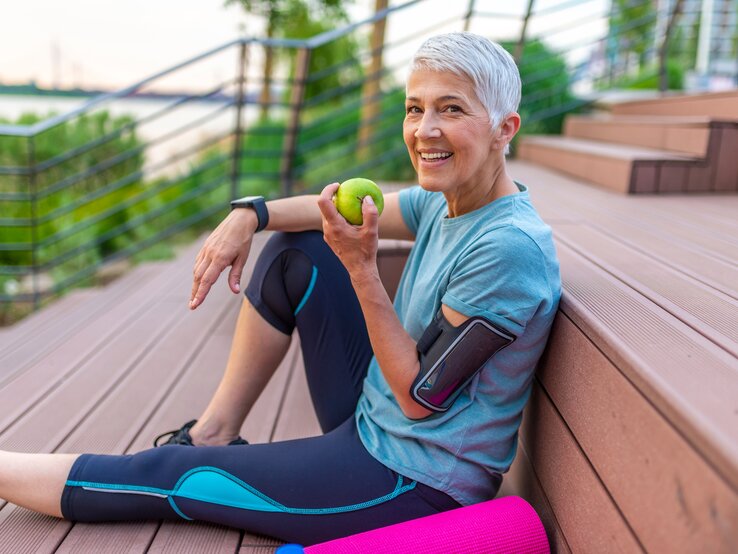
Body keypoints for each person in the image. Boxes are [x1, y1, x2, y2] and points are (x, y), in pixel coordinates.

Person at [0, 32, 560, 545]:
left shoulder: (507, 250)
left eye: (451, 109)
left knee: (174, 477)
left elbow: (418, 402)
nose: (424, 130)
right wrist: (252, 213)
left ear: (504, 128)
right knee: (299, 248)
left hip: (412, 482)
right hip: (371, 416)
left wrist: (363, 270)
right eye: (415, 109)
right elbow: (330, 213)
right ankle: (214, 431)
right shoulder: (447, 200)